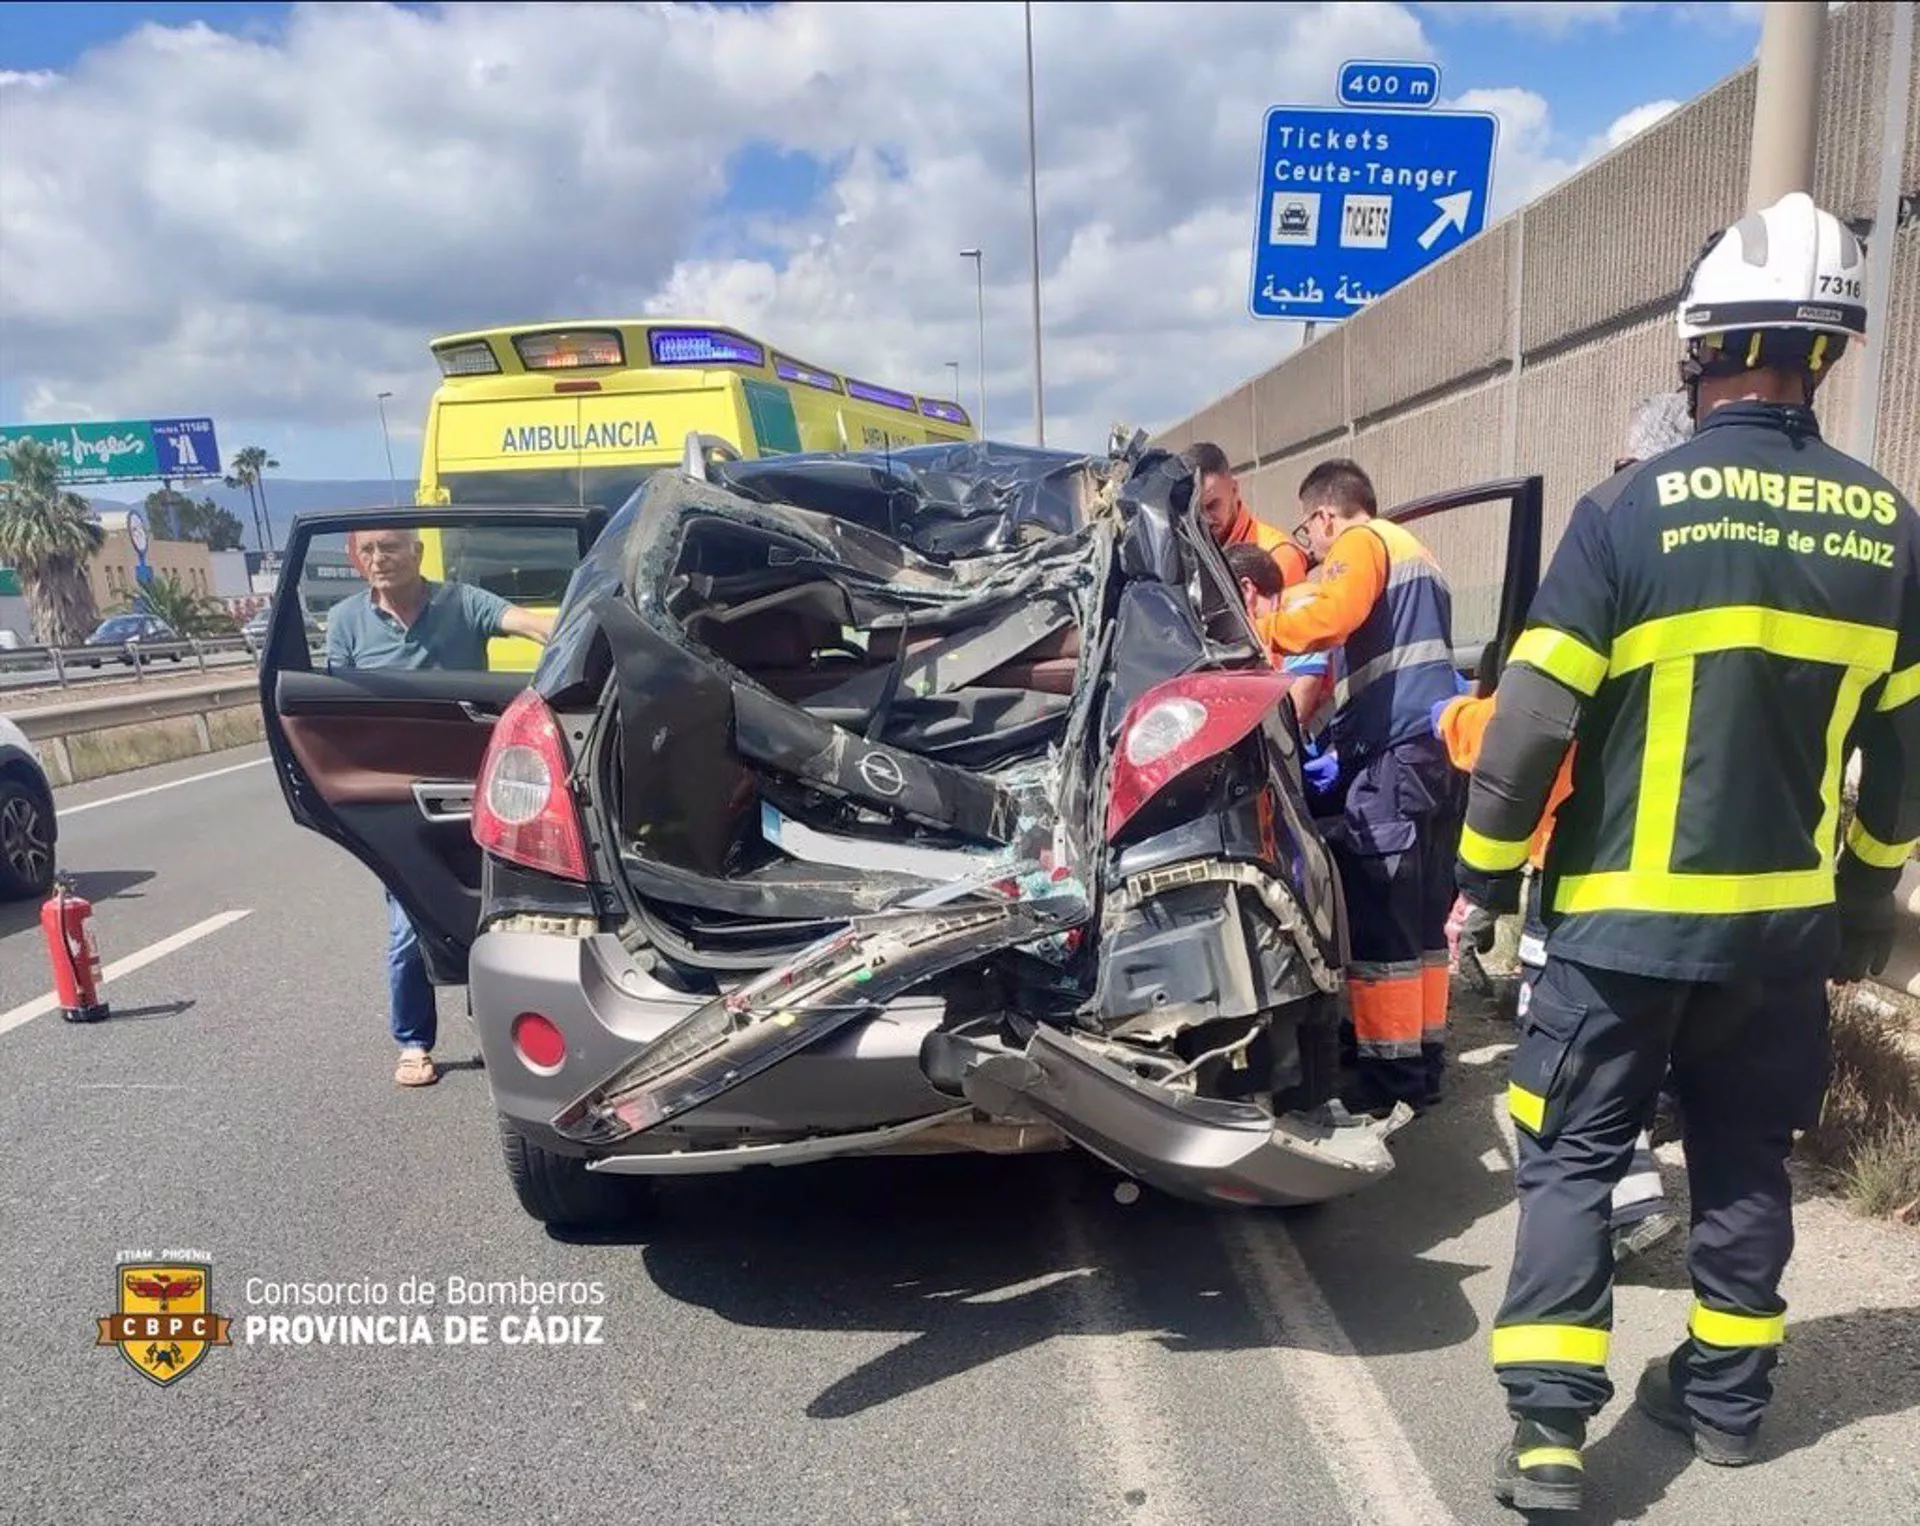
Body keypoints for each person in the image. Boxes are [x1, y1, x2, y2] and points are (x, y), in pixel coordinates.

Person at [1456, 192, 1919, 1515]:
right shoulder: (1891, 530)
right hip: (1779, 937)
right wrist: (1863, 904)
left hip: (1618, 931)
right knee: (1744, 1155)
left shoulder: (1629, 510)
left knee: (1572, 1152)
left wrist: (1484, 874)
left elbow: (1530, 723)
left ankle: (1551, 1436)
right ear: (1828, 350)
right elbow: (1903, 760)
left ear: (1698, 344)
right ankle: (1726, 1401)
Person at [1437, 390, 1698, 1272]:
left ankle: (1616, 1203)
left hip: (1599, 864)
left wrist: (1455, 726)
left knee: (1569, 1050)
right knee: (1644, 1054)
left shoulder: (1618, 543)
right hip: (1736, 882)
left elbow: (1535, 728)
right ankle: (1634, 1186)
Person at [1250, 458, 1466, 1115]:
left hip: (1393, 757)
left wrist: (1263, 628)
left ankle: (1389, 1080)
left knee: (1383, 920)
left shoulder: (1362, 541)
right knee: (1422, 925)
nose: (1314, 551)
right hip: (1431, 752)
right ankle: (1423, 1063)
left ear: (1324, 516)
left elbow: (1331, 615)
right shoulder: (1416, 553)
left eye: (1309, 533)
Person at [326, 527, 557, 1087]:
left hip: (481, 782)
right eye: (368, 550)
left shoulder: (464, 602)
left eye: (390, 547)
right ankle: (413, 1043)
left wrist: (578, 647)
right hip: (396, 789)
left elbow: (531, 625)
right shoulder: (345, 619)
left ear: (417, 552)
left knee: (498, 912)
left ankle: (495, 1032)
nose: (379, 558)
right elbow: (331, 702)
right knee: (410, 923)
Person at [1184, 440, 1313, 588]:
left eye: (1212, 505)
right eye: (1194, 511)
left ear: (1234, 490)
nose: (1204, 519)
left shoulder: (1277, 558)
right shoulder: (1185, 558)